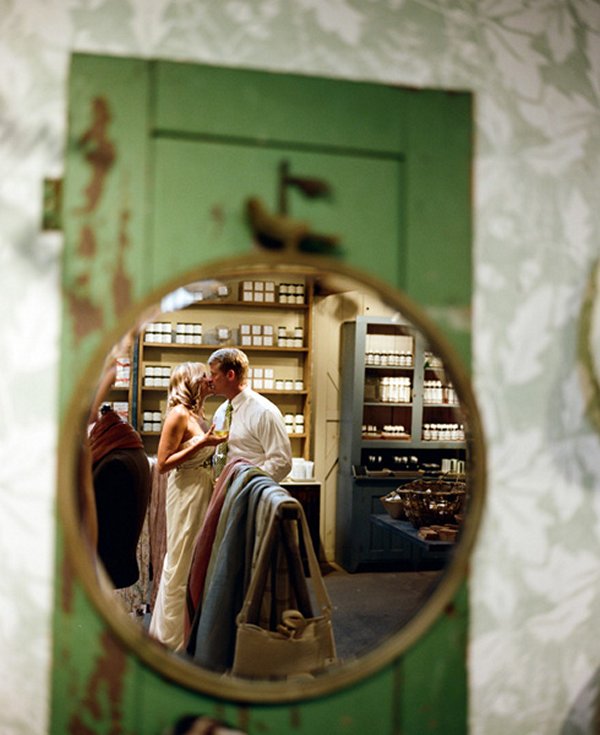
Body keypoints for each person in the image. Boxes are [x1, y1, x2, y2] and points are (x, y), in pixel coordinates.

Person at [149, 362, 226, 650]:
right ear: (192, 381)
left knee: (198, 559)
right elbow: (162, 464)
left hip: (203, 487)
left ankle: (190, 629)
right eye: (204, 376)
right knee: (181, 559)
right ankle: (170, 638)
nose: (210, 380)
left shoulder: (200, 414)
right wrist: (201, 443)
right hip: (185, 492)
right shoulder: (178, 415)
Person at [207, 348, 292, 483]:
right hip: (223, 493)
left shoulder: (264, 412)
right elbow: (220, 453)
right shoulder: (221, 412)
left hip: (250, 494)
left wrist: (245, 483)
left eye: (213, 374)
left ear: (230, 375)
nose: (209, 380)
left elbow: (281, 462)